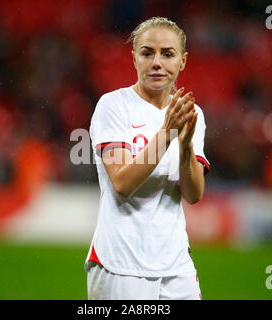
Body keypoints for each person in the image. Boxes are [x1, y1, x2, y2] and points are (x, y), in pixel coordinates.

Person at [85, 17, 210, 300]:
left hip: (176, 264)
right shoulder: (113, 106)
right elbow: (122, 183)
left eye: (167, 54)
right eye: (147, 53)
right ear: (134, 59)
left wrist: (186, 145)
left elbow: (193, 195)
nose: (157, 62)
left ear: (183, 61)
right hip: (120, 264)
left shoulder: (192, 114)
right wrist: (167, 134)